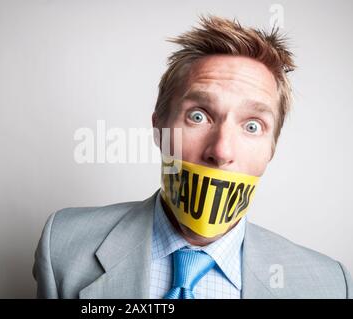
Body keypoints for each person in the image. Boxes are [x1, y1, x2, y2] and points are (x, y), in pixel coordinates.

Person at [33, 16, 352, 299]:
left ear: (272, 148)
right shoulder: (63, 246)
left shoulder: (330, 285)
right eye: (198, 116)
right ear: (159, 128)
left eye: (252, 126)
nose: (221, 151)